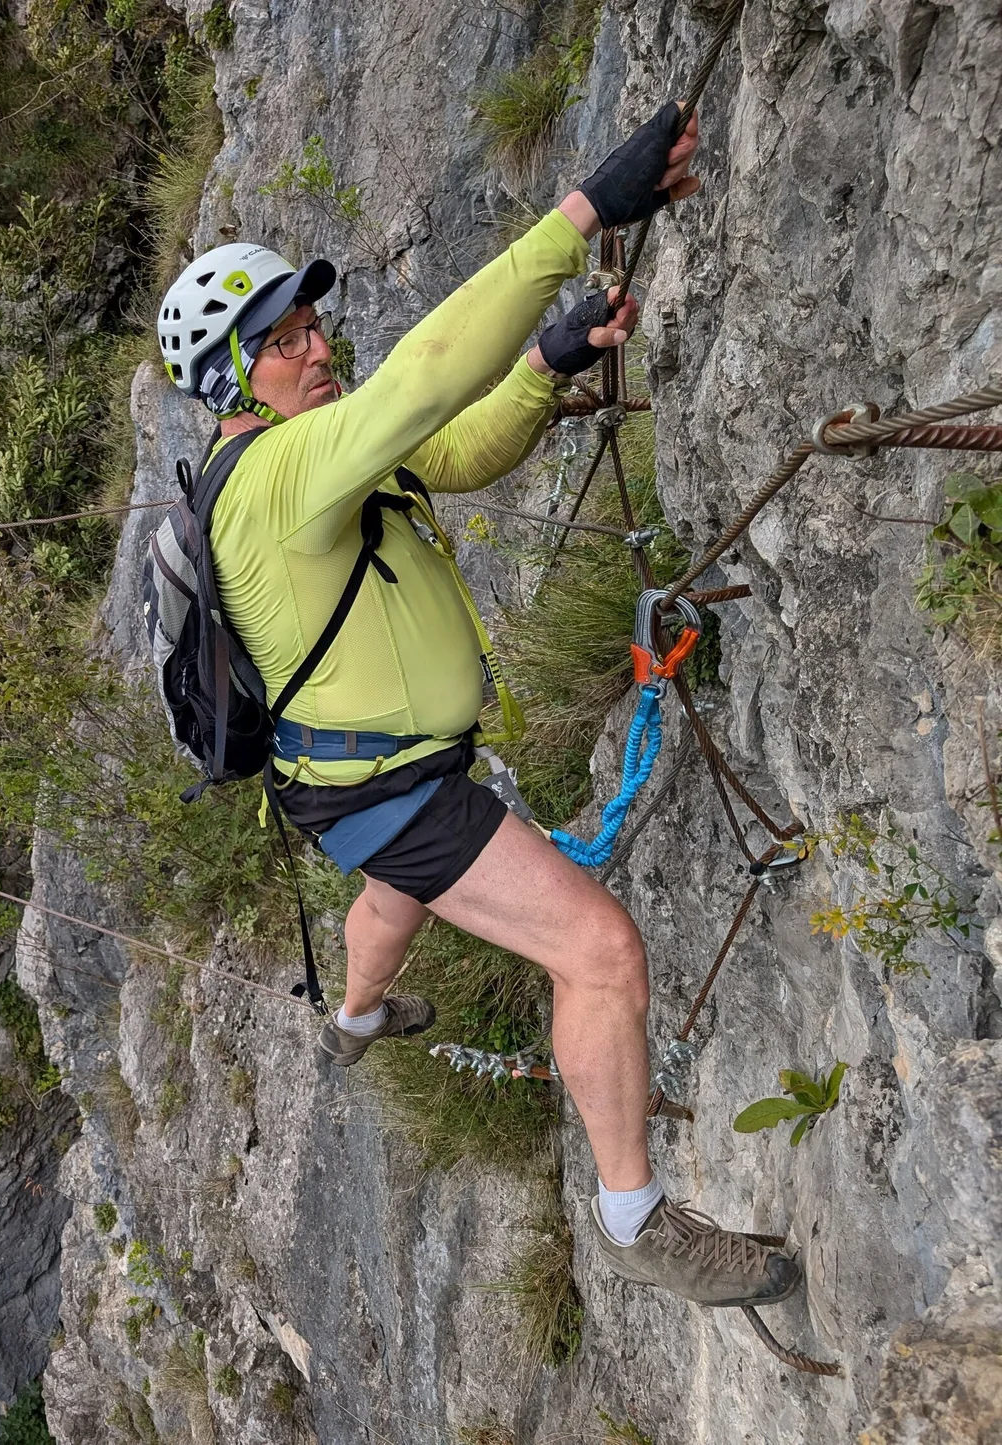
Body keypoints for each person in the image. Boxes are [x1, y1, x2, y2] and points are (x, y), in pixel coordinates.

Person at [156, 104, 800, 1308]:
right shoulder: (272, 477)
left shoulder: (324, 453)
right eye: (285, 336)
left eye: (310, 321)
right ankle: (635, 1217)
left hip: (352, 782)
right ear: (234, 374)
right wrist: (582, 215)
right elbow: (425, 379)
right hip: (392, 788)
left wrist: (547, 369)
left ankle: (353, 1019)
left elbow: (456, 446)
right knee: (601, 950)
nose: (317, 343)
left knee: (392, 894)